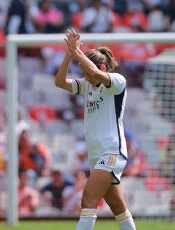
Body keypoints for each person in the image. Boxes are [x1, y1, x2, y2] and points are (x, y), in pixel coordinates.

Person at [55, 29, 136, 230]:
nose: (87, 78)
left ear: (101, 67)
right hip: (96, 154)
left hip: (111, 151)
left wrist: (77, 52)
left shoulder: (117, 81)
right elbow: (59, 82)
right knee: (118, 206)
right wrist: (69, 54)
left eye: (88, 74)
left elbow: (97, 73)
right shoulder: (88, 85)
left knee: (88, 200)